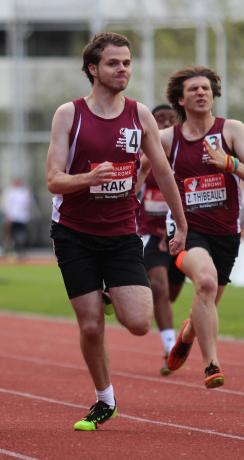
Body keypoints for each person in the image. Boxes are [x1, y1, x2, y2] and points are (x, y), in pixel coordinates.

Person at [46, 32, 187, 431]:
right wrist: (88, 178)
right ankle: (104, 398)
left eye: (127, 62)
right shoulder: (69, 114)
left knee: (140, 322)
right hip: (73, 232)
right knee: (91, 323)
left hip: (122, 232)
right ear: (93, 68)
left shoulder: (140, 114)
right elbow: (53, 180)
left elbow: (163, 170)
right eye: (113, 63)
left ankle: (109, 293)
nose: (123, 69)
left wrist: (181, 221)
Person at [162, 66, 244, 388]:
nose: (200, 93)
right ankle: (211, 364)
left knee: (208, 295)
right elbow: (139, 172)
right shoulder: (169, 139)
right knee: (206, 284)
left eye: (206, 88)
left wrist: (229, 164)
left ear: (213, 95)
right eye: (193, 89)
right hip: (186, 230)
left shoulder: (232, 131)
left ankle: (187, 333)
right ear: (180, 99)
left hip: (225, 233)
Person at [137, 104, 185, 375]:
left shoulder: (184, 158)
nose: (166, 123)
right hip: (149, 233)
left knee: (172, 293)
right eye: (160, 120)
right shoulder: (143, 157)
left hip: (178, 233)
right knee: (159, 287)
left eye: (170, 119)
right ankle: (169, 346)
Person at [0, 178, 32, 259]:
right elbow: (4, 205)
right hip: (11, 217)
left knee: (21, 236)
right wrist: (7, 216)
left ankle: (21, 252)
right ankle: (8, 251)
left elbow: (28, 204)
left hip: (22, 218)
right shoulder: (9, 191)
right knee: (10, 236)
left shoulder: (25, 192)